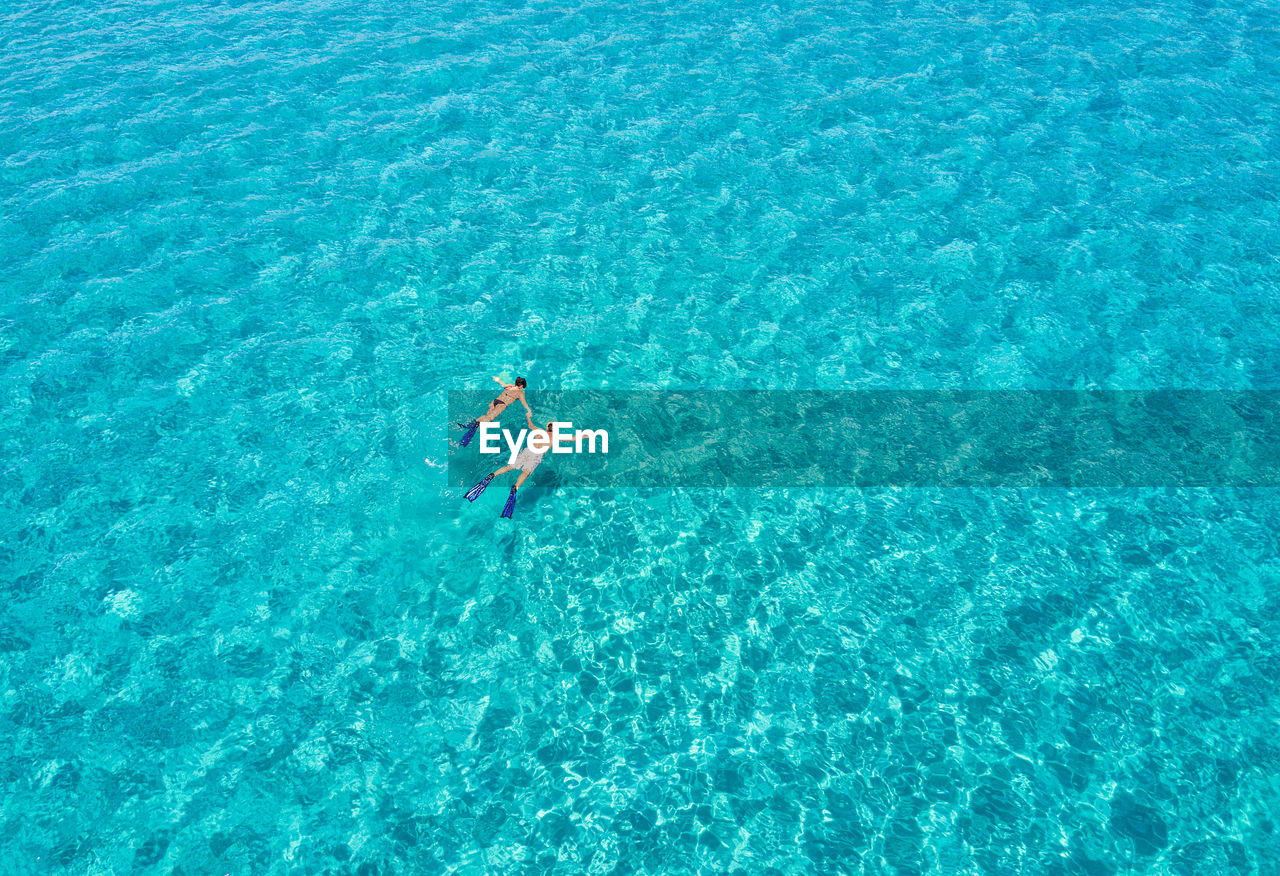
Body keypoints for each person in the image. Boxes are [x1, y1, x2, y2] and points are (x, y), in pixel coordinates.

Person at [464, 411, 552, 518]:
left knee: (509, 467)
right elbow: (571, 438)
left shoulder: (540, 431)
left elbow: (530, 425)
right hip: (537, 455)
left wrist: (528, 417)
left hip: (528, 450)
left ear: (547, 427)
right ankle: (515, 488)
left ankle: (492, 476)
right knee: (526, 472)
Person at [458, 376, 531, 447]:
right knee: (489, 419)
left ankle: (470, 425)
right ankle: (470, 434)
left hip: (494, 401)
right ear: (521, 385)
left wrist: (498, 380)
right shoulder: (520, 393)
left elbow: (503, 384)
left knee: (487, 417)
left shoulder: (510, 386)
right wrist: (529, 410)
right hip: (501, 405)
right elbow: (524, 403)